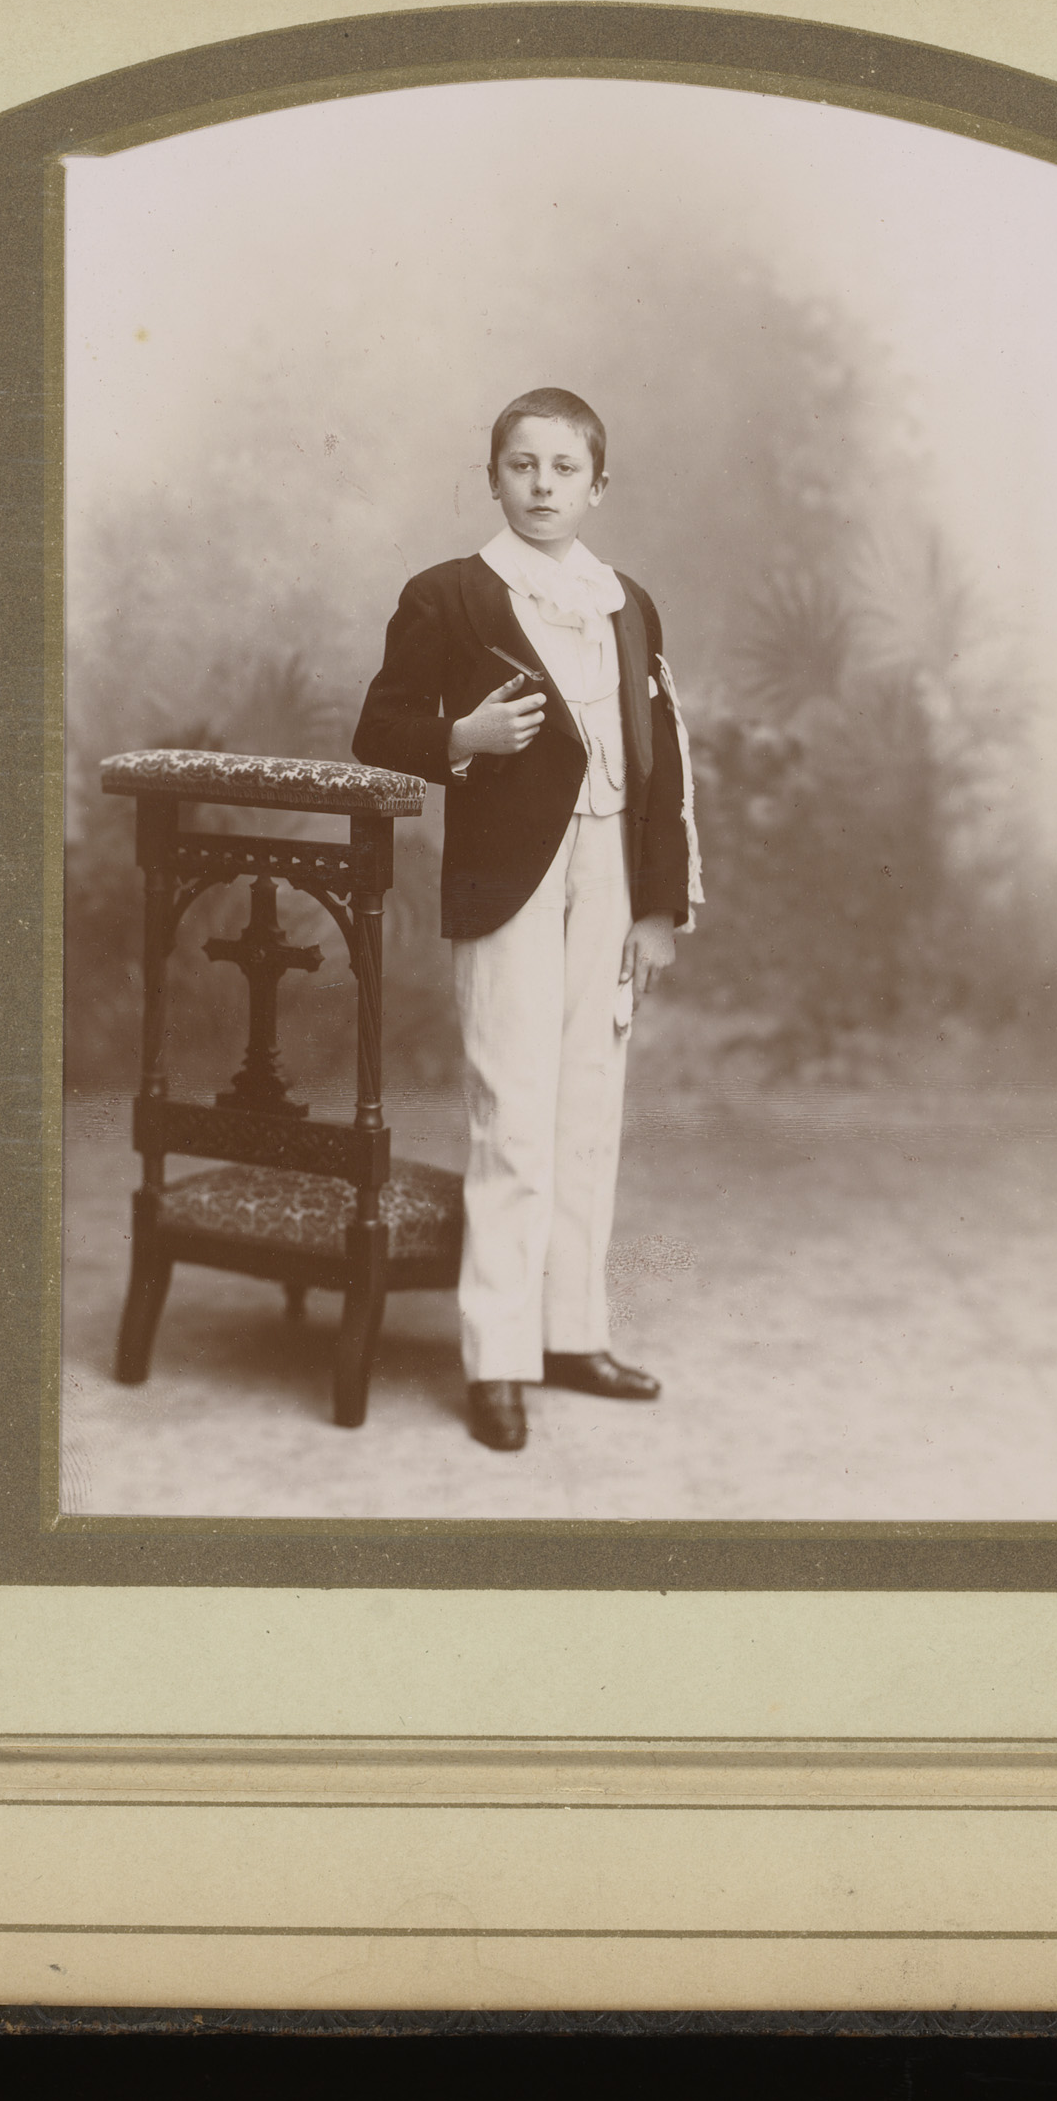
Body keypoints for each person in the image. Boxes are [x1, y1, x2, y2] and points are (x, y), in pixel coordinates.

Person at [354, 387, 702, 1451]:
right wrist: (462, 738)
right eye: (522, 465)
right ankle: (498, 1357)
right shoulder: (450, 595)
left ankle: (570, 1335)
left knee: (588, 1105)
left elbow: (661, 763)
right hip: (508, 879)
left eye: (564, 469)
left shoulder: (627, 603)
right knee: (513, 1112)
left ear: (598, 485)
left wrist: (657, 907)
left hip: (611, 873)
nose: (543, 486)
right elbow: (379, 729)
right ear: (493, 478)